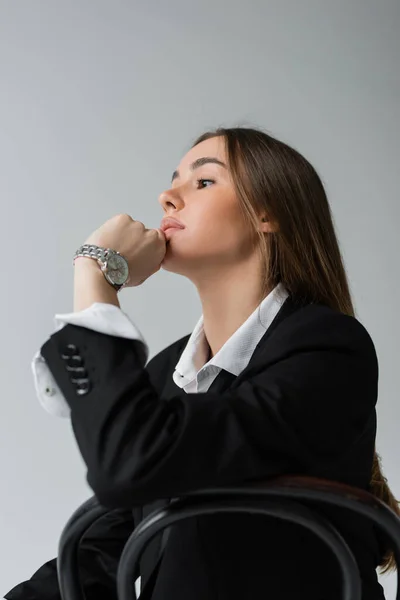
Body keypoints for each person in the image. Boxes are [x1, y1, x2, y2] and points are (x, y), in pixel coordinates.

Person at [4, 126, 398, 600]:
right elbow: (100, 552)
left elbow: (128, 465)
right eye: (173, 181)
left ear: (266, 213)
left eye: (204, 181)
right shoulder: (169, 372)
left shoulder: (329, 350)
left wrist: (95, 273)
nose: (167, 197)